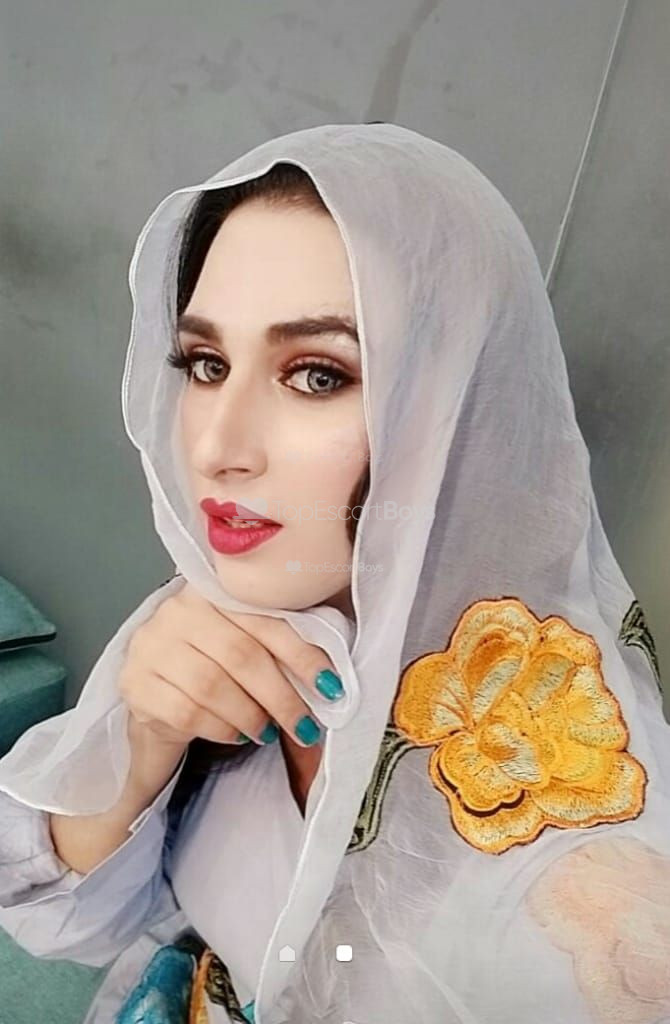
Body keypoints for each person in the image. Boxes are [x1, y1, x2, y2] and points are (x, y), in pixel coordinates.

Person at [1, 122, 668, 1024]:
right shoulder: (244, 616)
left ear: (450, 409)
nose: (219, 445)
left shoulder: (583, 886)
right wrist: (146, 736)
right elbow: (75, 921)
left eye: (316, 375)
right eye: (207, 363)